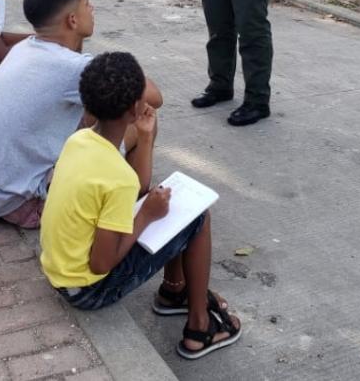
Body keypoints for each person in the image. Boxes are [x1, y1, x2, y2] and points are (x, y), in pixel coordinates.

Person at [40, 51, 241, 360]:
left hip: (61, 273)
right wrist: (146, 216)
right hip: (88, 290)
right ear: (136, 107)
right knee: (197, 218)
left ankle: (175, 292)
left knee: (167, 203)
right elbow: (101, 264)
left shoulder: (78, 141)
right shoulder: (117, 176)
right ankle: (199, 329)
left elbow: (137, 189)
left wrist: (145, 140)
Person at [0, 0, 161, 228]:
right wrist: (122, 67)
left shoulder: (26, 47)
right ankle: (128, 207)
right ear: (72, 20)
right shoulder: (71, 67)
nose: (93, 9)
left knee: (96, 110)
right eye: (87, 4)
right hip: (23, 203)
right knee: (140, 118)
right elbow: (155, 97)